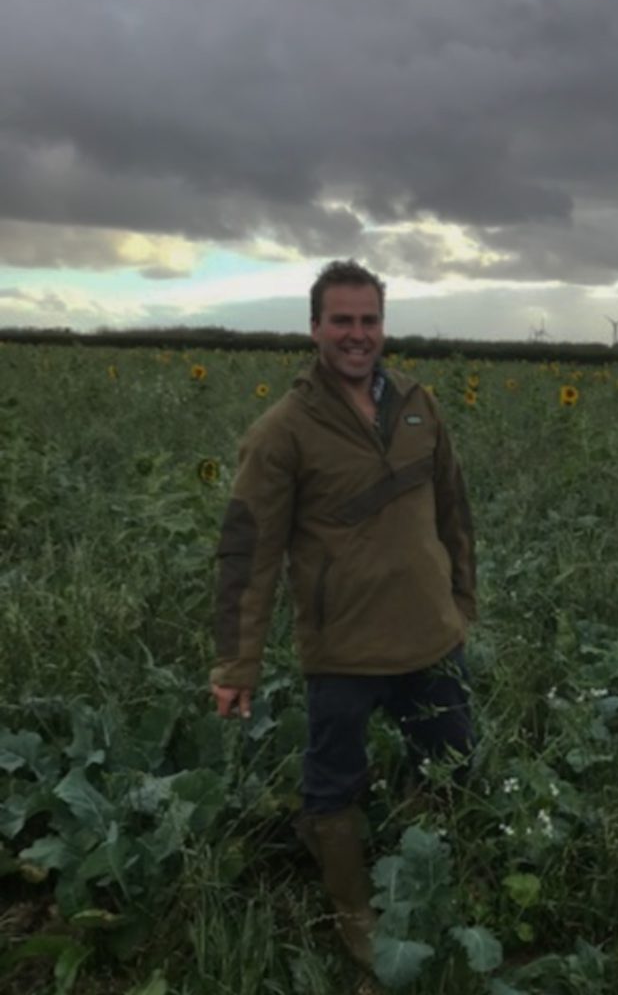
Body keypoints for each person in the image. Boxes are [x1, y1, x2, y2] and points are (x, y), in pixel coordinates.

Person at [209, 259, 477, 976]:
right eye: (342, 321)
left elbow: (455, 513)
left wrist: (463, 603)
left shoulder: (418, 404)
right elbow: (247, 552)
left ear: (382, 326)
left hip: (431, 635)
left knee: (450, 763)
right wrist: (237, 664)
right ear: (315, 329)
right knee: (333, 785)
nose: (357, 335)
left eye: (369, 321)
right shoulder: (284, 430)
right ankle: (357, 920)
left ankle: (417, 881)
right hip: (343, 648)